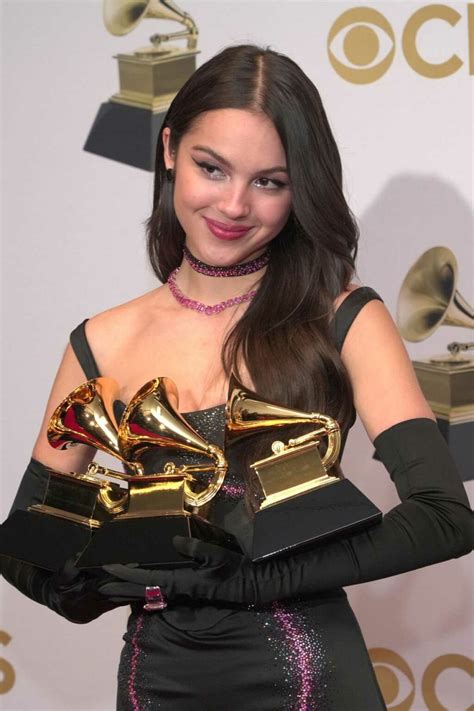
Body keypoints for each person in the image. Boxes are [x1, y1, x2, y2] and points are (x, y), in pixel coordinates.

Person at [1, 44, 472, 711]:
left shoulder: (342, 314)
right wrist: (115, 584)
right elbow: (26, 540)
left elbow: (444, 516)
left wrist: (260, 577)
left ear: (299, 188)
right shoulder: (100, 341)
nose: (233, 203)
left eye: (269, 182)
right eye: (211, 168)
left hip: (309, 677)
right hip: (156, 683)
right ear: (169, 150)